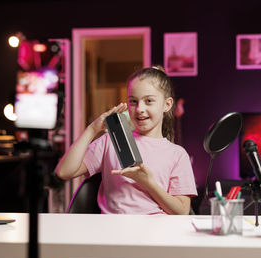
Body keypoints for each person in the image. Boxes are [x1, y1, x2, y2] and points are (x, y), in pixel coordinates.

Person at [56, 65, 197, 214]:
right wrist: (92, 129)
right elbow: (64, 172)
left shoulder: (177, 154)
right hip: (112, 232)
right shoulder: (110, 141)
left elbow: (181, 211)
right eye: (133, 101)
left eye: (149, 101)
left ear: (167, 105)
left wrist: (148, 183)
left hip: (155, 233)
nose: (139, 109)